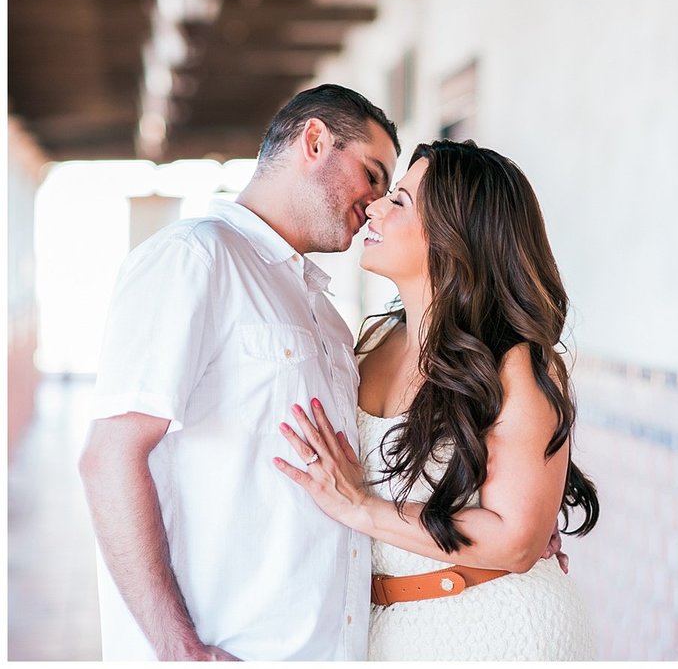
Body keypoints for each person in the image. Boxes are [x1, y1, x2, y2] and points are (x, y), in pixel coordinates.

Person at [77, 84, 401, 660]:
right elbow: (109, 457)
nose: (377, 204)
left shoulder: (327, 316)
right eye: (372, 175)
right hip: (225, 648)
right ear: (315, 140)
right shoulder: (195, 258)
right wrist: (180, 651)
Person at [274, 139, 601, 660]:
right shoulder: (370, 344)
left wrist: (363, 508)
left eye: (399, 200)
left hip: (500, 629)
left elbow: (515, 542)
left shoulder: (516, 363)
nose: (374, 206)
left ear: (455, 237)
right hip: (388, 630)